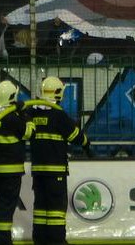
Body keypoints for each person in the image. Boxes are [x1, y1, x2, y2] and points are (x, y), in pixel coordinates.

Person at [25, 76, 90, 245]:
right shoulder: (59, 115)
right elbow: (76, 137)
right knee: (56, 209)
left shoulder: (31, 113)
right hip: (56, 172)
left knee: (40, 207)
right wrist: (87, 144)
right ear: (58, 93)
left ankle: (40, 239)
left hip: (38, 170)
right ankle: (56, 240)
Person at [0, 80, 33, 245]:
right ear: (12, 97)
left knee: (0, 207)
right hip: (10, 172)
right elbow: (29, 133)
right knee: (6, 208)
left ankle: (1, 240)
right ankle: (3, 242)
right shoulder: (11, 117)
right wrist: (24, 113)